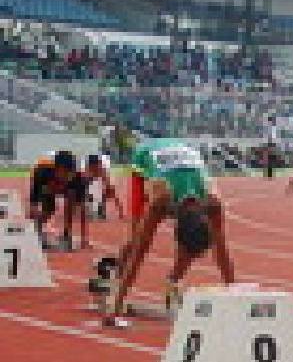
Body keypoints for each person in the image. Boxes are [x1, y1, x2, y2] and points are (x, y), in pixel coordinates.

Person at [104, 138, 235, 322]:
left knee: (195, 241)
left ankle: (172, 282)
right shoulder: (161, 198)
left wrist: (235, 295)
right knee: (135, 238)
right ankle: (115, 285)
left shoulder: (212, 201)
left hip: (183, 153)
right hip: (145, 159)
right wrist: (117, 305)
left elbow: (222, 250)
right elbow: (139, 252)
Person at [28, 150, 86, 251]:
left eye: (70, 172)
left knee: (71, 199)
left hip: (58, 186)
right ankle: (38, 232)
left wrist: (84, 238)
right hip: (46, 185)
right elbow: (33, 203)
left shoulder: (78, 179)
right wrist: (36, 220)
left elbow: (82, 210)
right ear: (56, 169)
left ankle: (66, 234)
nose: (68, 175)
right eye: (65, 171)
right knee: (48, 210)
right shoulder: (42, 172)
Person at [83, 153, 125, 221]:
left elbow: (107, 183)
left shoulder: (100, 171)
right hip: (94, 193)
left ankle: (99, 211)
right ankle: (97, 211)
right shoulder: (89, 172)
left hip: (99, 192)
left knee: (100, 191)